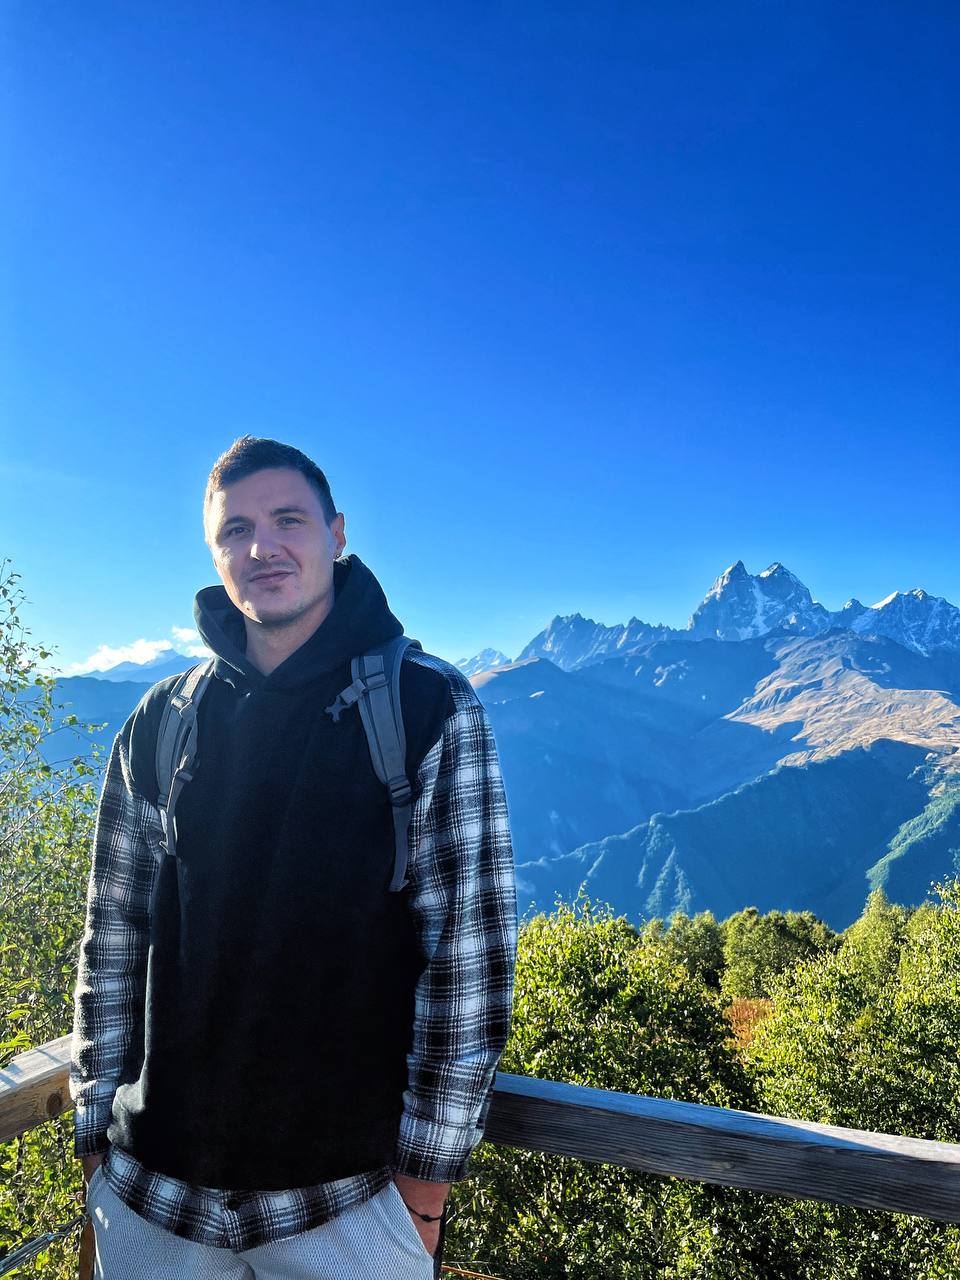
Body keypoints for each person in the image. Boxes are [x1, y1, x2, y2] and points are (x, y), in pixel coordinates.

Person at [70, 436, 518, 1279]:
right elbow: (114, 939)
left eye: (287, 520)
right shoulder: (161, 721)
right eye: (235, 528)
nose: (261, 546)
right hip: (151, 1199)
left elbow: (469, 959)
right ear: (214, 553)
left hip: (343, 1208)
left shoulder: (429, 708)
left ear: (338, 533)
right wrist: (94, 1142)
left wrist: (424, 1194)